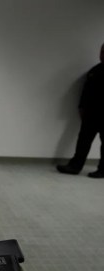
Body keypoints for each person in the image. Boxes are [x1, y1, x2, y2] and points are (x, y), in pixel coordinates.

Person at [56, 43, 104, 178]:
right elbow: (86, 92)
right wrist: (81, 107)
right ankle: (75, 166)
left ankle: (103, 170)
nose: (102, 54)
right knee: (83, 140)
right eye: (101, 51)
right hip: (91, 113)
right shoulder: (94, 71)